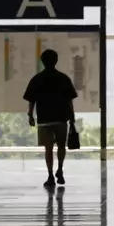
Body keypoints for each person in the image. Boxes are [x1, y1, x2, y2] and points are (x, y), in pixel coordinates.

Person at [25, 49, 78, 190]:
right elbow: (69, 101)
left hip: (44, 120)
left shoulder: (37, 79)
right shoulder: (63, 78)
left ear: (42, 61)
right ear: (56, 61)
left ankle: (50, 176)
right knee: (61, 146)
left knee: (48, 149)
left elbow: (31, 100)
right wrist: (72, 118)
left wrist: (30, 115)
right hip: (61, 118)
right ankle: (60, 170)